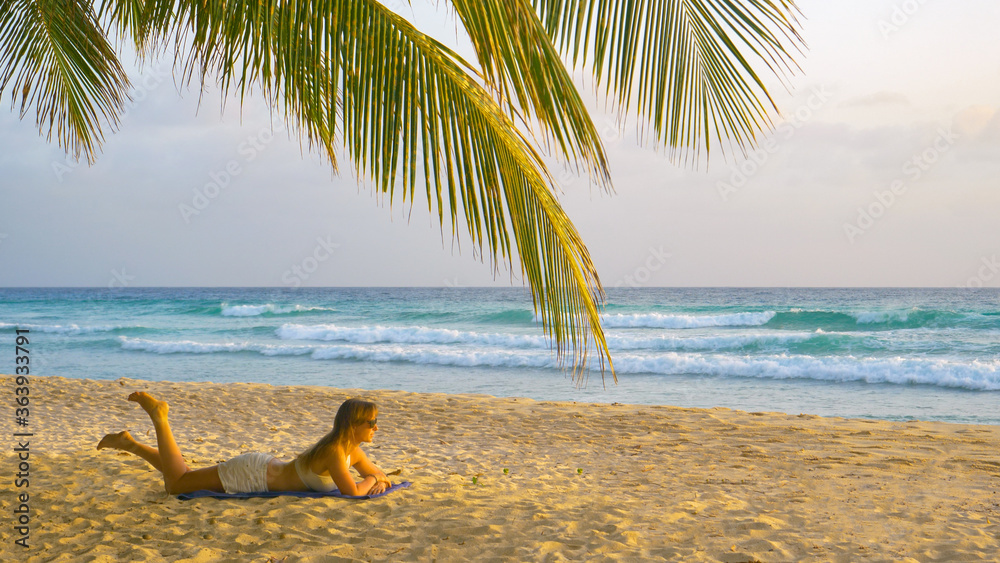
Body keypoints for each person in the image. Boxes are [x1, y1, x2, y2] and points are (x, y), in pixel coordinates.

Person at [97, 392, 392, 496]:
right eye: (371, 423)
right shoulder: (334, 453)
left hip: (262, 468)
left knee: (183, 476)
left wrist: (376, 477)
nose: (376, 428)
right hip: (252, 476)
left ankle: (130, 444)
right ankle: (159, 417)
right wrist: (370, 479)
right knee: (177, 485)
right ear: (353, 425)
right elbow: (353, 491)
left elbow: (377, 474)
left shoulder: (351, 450)